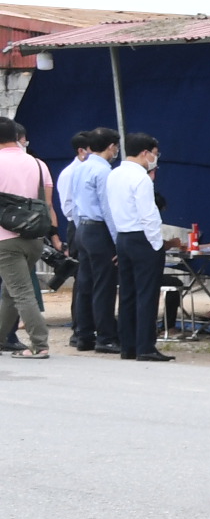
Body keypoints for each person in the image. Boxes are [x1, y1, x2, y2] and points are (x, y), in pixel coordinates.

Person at [104, 131, 171, 362]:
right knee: (147, 294)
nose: (155, 158)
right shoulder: (141, 178)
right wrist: (156, 243)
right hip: (142, 238)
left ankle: (128, 346)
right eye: (154, 154)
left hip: (123, 237)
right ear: (144, 153)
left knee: (128, 293)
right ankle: (145, 346)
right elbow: (149, 214)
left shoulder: (114, 174)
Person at [0, 117, 54, 359]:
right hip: (34, 237)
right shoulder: (38, 163)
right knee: (10, 292)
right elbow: (47, 203)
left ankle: (39, 343)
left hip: (5, 238)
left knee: (20, 292)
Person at [60, 128, 118, 354]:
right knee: (104, 284)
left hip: (81, 227)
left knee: (85, 283)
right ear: (111, 146)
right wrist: (116, 241)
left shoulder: (79, 168)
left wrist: (77, 227)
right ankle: (106, 336)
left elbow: (74, 204)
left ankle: (83, 335)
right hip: (98, 229)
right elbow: (107, 208)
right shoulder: (104, 172)